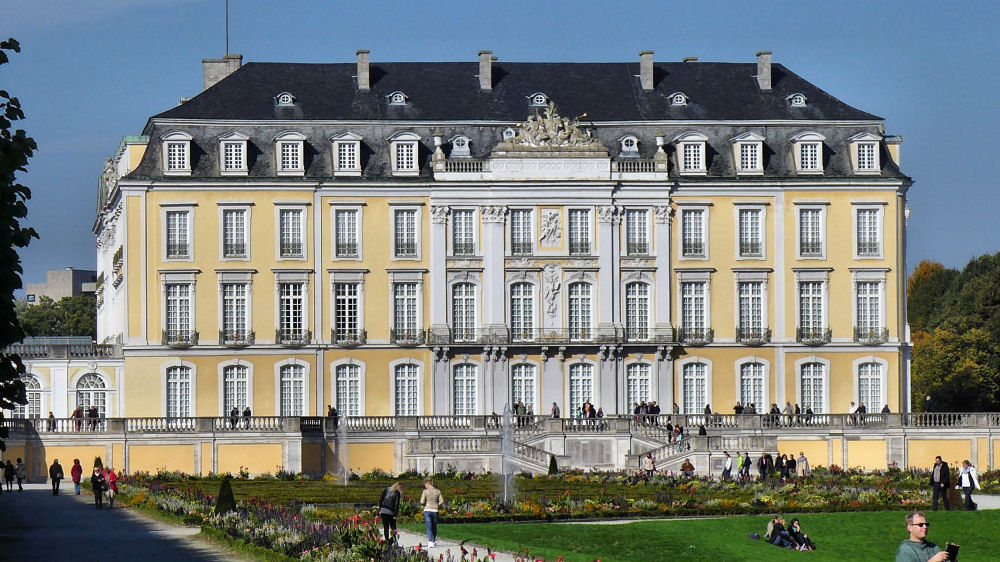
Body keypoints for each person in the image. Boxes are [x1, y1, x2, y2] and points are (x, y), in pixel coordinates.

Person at [420, 478, 444, 548]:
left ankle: (430, 542)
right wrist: (437, 505)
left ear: (427, 484)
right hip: (435, 510)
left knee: (429, 526)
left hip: (427, 510)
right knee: (434, 526)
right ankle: (433, 540)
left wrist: (424, 505)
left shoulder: (425, 491)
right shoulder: (438, 491)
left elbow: (422, 501)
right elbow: (442, 501)